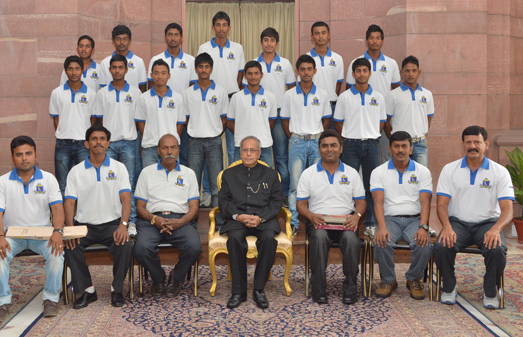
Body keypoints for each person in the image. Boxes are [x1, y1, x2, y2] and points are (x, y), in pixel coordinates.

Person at [433, 125, 514, 309]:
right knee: (441, 245)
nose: (472, 146)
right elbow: (442, 205)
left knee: (497, 249)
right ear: (463, 144)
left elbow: (508, 210)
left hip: (487, 223)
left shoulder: (499, 172)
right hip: (458, 223)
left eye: (477, 142)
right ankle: (449, 287)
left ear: (486, 144)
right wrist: (446, 227)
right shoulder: (449, 169)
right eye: (468, 142)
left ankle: (490, 290)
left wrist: (496, 229)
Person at [0, 136, 64, 322]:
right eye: (19, 154)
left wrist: (57, 232)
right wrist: (0, 236)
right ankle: (1, 303)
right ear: (12, 158)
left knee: (56, 254)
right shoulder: (2, 182)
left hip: (42, 234)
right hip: (12, 235)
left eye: (28, 153)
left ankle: (51, 299)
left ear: (35, 155)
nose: (24, 158)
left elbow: (57, 209)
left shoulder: (48, 179)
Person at [64, 125, 133, 309]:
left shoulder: (119, 168)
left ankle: (116, 290)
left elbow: (126, 199)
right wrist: (70, 230)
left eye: (102, 139)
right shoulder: (76, 171)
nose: (98, 142)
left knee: (125, 245)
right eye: (94, 139)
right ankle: (88, 290)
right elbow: (69, 203)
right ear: (87, 143)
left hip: (112, 225)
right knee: (70, 246)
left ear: (108, 143)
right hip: (84, 226)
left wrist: (123, 225)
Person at [297, 130, 366, 305]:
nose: (329, 149)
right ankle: (319, 288)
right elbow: (301, 205)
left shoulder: (351, 173)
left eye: (333, 145)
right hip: (318, 221)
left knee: (352, 240)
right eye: (325, 146)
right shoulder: (308, 174)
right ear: (319, 149)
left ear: (341, 149)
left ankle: (350, 287)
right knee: (319, 238)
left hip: (346, 221)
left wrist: (357, 216)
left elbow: (361, 202)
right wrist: (310, 215)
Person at [133, 134, 202, 298]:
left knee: (194, 247)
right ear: (158, 150)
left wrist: (181, 221)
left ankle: (176, 278)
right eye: (165, 148)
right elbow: (140, 207)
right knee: (141, 249)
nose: (169, 151)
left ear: (178, 150)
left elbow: (194, 208)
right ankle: (158, 278)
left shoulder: (189, 174)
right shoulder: (146, 173)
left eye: (173, 147)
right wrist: (154, 219)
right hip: (151, 220)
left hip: (180, 220)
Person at [218, 136, 283, 309]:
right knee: (234, 239)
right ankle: (238, 292)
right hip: (238, 220)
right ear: (240, 153)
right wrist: (238, 216)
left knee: (269, 239)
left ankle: (259, 289)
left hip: (264, 219)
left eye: (252, 150)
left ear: (259, 153)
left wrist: (260, 217)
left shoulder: (271, 174)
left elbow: (277, 203)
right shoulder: (229, 174)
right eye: (245, 150)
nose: (248, 154)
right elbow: (223, 202)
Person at [371, 131, 433, 300]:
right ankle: (388, 280)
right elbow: (377, 201)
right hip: (389, 218)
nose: (400, 150)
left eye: (404, 146)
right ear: (390, 149)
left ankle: (414, 279)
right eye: (396, 146)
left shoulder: (423, 172)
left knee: (424, 243)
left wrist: (423, 226)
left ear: (411, 149)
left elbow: (425, 202)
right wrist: (381, 227)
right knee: (381, 240)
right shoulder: (379, 172)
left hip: (414, 219)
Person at [334, 57, 386, 238]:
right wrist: (350, 137)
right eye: (358, 71)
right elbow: (338, 122)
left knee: (372, 185)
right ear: (353, 74)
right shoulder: (344, 97)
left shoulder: (378, 97)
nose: (362, 74)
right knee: (348, 184)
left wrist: (370, 135)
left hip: (372, 144)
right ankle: (348, 222)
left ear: (369, 73)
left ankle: (371, 223)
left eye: (365, 70)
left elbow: (381, 122)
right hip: (350, 145)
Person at [281, 54, 331, 236]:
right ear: (297, 72)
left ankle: (318, 222)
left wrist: (319, 139)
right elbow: (284, 120)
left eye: (309, 69)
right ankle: (293, 223)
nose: (306, 72)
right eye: (302, 69)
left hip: (317, 142)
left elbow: (326, 119)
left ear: (315, 71)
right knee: (295, 185)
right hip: (297, 141)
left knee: (318, 183)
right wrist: (294, 137)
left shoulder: (323, 94)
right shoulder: (289, 94)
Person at [244, 27, 296, 201]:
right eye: (266, 40)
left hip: (280, 115)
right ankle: (259, 193)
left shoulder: (285, 64)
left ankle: (284, 194)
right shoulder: (253, 64)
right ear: (261, 42)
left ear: (277, 43)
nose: (269, 43)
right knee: (260, 155)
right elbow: (247, 89)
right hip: (259, 114)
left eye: (272, 40)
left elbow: (292, 90)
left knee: (281, 156)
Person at [94, 54, 141, 237]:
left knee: (129, 182)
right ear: (110, 69)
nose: (117, 71)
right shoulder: (102, 93)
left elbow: (139, 120)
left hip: (130, 141)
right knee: (109, 182)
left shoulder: (136, 92)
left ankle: (131, 222)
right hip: (109, 144)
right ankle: (112, 221)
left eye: (121, 67)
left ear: (126, 69)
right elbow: (97, 120)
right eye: (114, 67)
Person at [346, 24, 401, 162]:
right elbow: (348, 92)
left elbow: (396, 89)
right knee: (364, 158)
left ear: (382, 41)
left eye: (377, 38)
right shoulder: (356, 63)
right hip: (362, 117)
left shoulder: (391, 63)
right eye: (371, 38)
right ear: (366, 40)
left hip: (385, 116)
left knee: (387, 155)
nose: (374, 41)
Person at [197, 11, 246, 165]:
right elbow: (200, 73)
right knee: (208, 143)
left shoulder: (237, 48)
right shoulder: (204, 47)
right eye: (218, 25)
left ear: (229, 27)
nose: (221, 28)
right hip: (210, 100)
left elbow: (240, 74)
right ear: (213, 27)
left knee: (233, 146)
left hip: (232, 99)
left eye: (224, 25)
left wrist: (232, 92)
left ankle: (232, 184)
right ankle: (206, 188)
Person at [147, 23, 196, 166]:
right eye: (170, 34)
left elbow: (192, 88)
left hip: (183, 115)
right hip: (160, 117)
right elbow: (151, 87)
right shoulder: (156, 59)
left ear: (181, 38)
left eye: (176, 35)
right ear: (165, 37)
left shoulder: (190, 60)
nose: (173, 38)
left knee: (183, 157)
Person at [184, 53, 228, 208]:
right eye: (200, 66)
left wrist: (215, 132)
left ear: (211, 69)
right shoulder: (188, 92)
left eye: (206, 67)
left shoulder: (221, 91)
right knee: (193, 184)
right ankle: (192, 221)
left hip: (214, 141)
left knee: (217, 184)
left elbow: (224, 118)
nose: (203, 70)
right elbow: (186, 118)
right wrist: (195, 129)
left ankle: (218, 222)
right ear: (196, 69)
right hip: (194, 141)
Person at [49, 55, 96, 196]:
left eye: (77, 69)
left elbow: (93, 119)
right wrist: (62, 133)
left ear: (82, 70)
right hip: (63, 144)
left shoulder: (91, 94)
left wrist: (85, 136)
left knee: (84, 184)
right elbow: (55, 118)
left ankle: (81, 218)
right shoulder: (57, 93)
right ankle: (64, 218)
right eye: (70, 69)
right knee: (62, 185)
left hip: (83, 144)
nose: (74, 72)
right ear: (65, 71)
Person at [135, 59, 186, 168]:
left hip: (171, 149)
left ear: (169, 75)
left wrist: (172, 144)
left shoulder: (177, 98)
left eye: (163, 73)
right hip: (150, 148)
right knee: (150, 182)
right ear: (151, 75)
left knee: (172, 181)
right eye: (156, 73)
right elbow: (140, 123)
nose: (160, 77)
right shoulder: (143, 98)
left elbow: (180, 124)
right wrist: (149, 137)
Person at [385, 55, 434, 167]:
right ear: (401, 72)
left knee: (421, 178)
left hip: (420, 144)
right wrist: (395, 140)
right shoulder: (393, 95)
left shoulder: (427, 94)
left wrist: (420, 131)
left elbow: (428, 118)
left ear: (419, 72)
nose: (410, 74)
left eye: (414, 71)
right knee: (397, 176)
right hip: (399, 145)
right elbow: (386, 122)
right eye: (407, 71)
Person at [227, 61, 277, 167]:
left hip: (264, 146)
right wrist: (242, 135)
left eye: (256, 73)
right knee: (239, 180)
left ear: (261, 75)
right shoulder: (236, 97)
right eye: (250, 73)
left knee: (267, 180)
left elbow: (271, 122)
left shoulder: (270, 97)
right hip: (241, 147)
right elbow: (230, 122)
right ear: (245, 76)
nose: (253, 77)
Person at [307, 21, 344, 115]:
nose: (320, 36)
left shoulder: (338, 58)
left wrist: (330, 97)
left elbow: (338, 84)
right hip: (311, 104)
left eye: (323, 33)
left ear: (329, 35)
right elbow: (302, 83)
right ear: (312, 37)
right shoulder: (306, 58)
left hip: (332, 105)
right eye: (317, 33)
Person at [100, 25, 147, 92]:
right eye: (118, 39)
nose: (122, 42)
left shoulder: (139, 61)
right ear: (113, 40)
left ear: (130, 40)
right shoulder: (105, 63)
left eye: (125, 39)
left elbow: (142, 87)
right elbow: (103, 88)